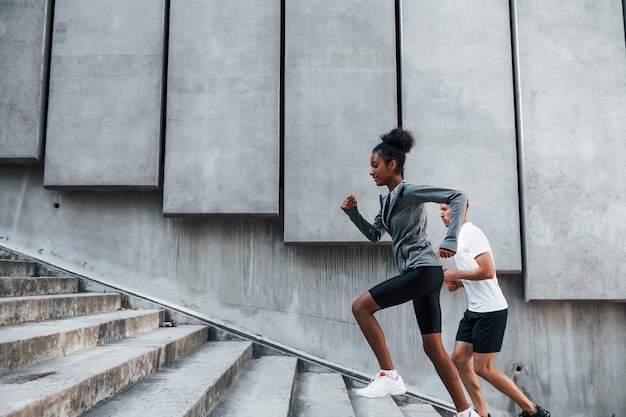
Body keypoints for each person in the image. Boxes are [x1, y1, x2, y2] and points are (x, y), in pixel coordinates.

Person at [341, 127, 479, 417]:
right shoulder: (386, 200)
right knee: (433, 348)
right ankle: (466, 412)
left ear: (393, 165)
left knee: (361, 307)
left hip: (423, 270)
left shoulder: (407, 191)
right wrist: (354, 214)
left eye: (375, 166)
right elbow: (375, 235)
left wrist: (451, 239)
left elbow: (458, 196)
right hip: (425, 275)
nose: (371, 172)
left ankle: (389, 376)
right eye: (370, 167)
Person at [439, 202, 551, 417]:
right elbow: (477, 273)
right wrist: (460, 282)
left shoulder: (471, 233)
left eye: (445, 210)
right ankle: (481, 414)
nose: (442, 215)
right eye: (440, 211)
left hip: (491, 311)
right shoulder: (459, 237)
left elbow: (488, 271)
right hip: (474, 310)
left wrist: (457, 275)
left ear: (460, 210)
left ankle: (533, 411)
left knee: (483, 368)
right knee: (460, 359)